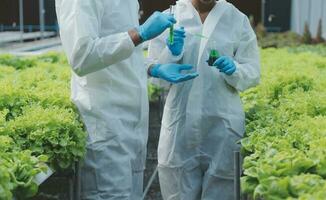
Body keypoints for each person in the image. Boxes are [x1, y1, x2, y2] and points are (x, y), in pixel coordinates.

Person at [55, 0, 198, 199]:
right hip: (105, 124)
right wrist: (139, 33)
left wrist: (153, 67)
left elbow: (124, 54)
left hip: (132, 126)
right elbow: (82, 56)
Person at [148, 0, 260, 199]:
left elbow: (253, 72)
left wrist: (236, 69)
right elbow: (156, 79)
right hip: (180, 126)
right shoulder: (171, 17)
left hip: (222, 127)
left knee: (222, 186)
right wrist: (171, 54)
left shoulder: (236, 19)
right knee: (177, 188)